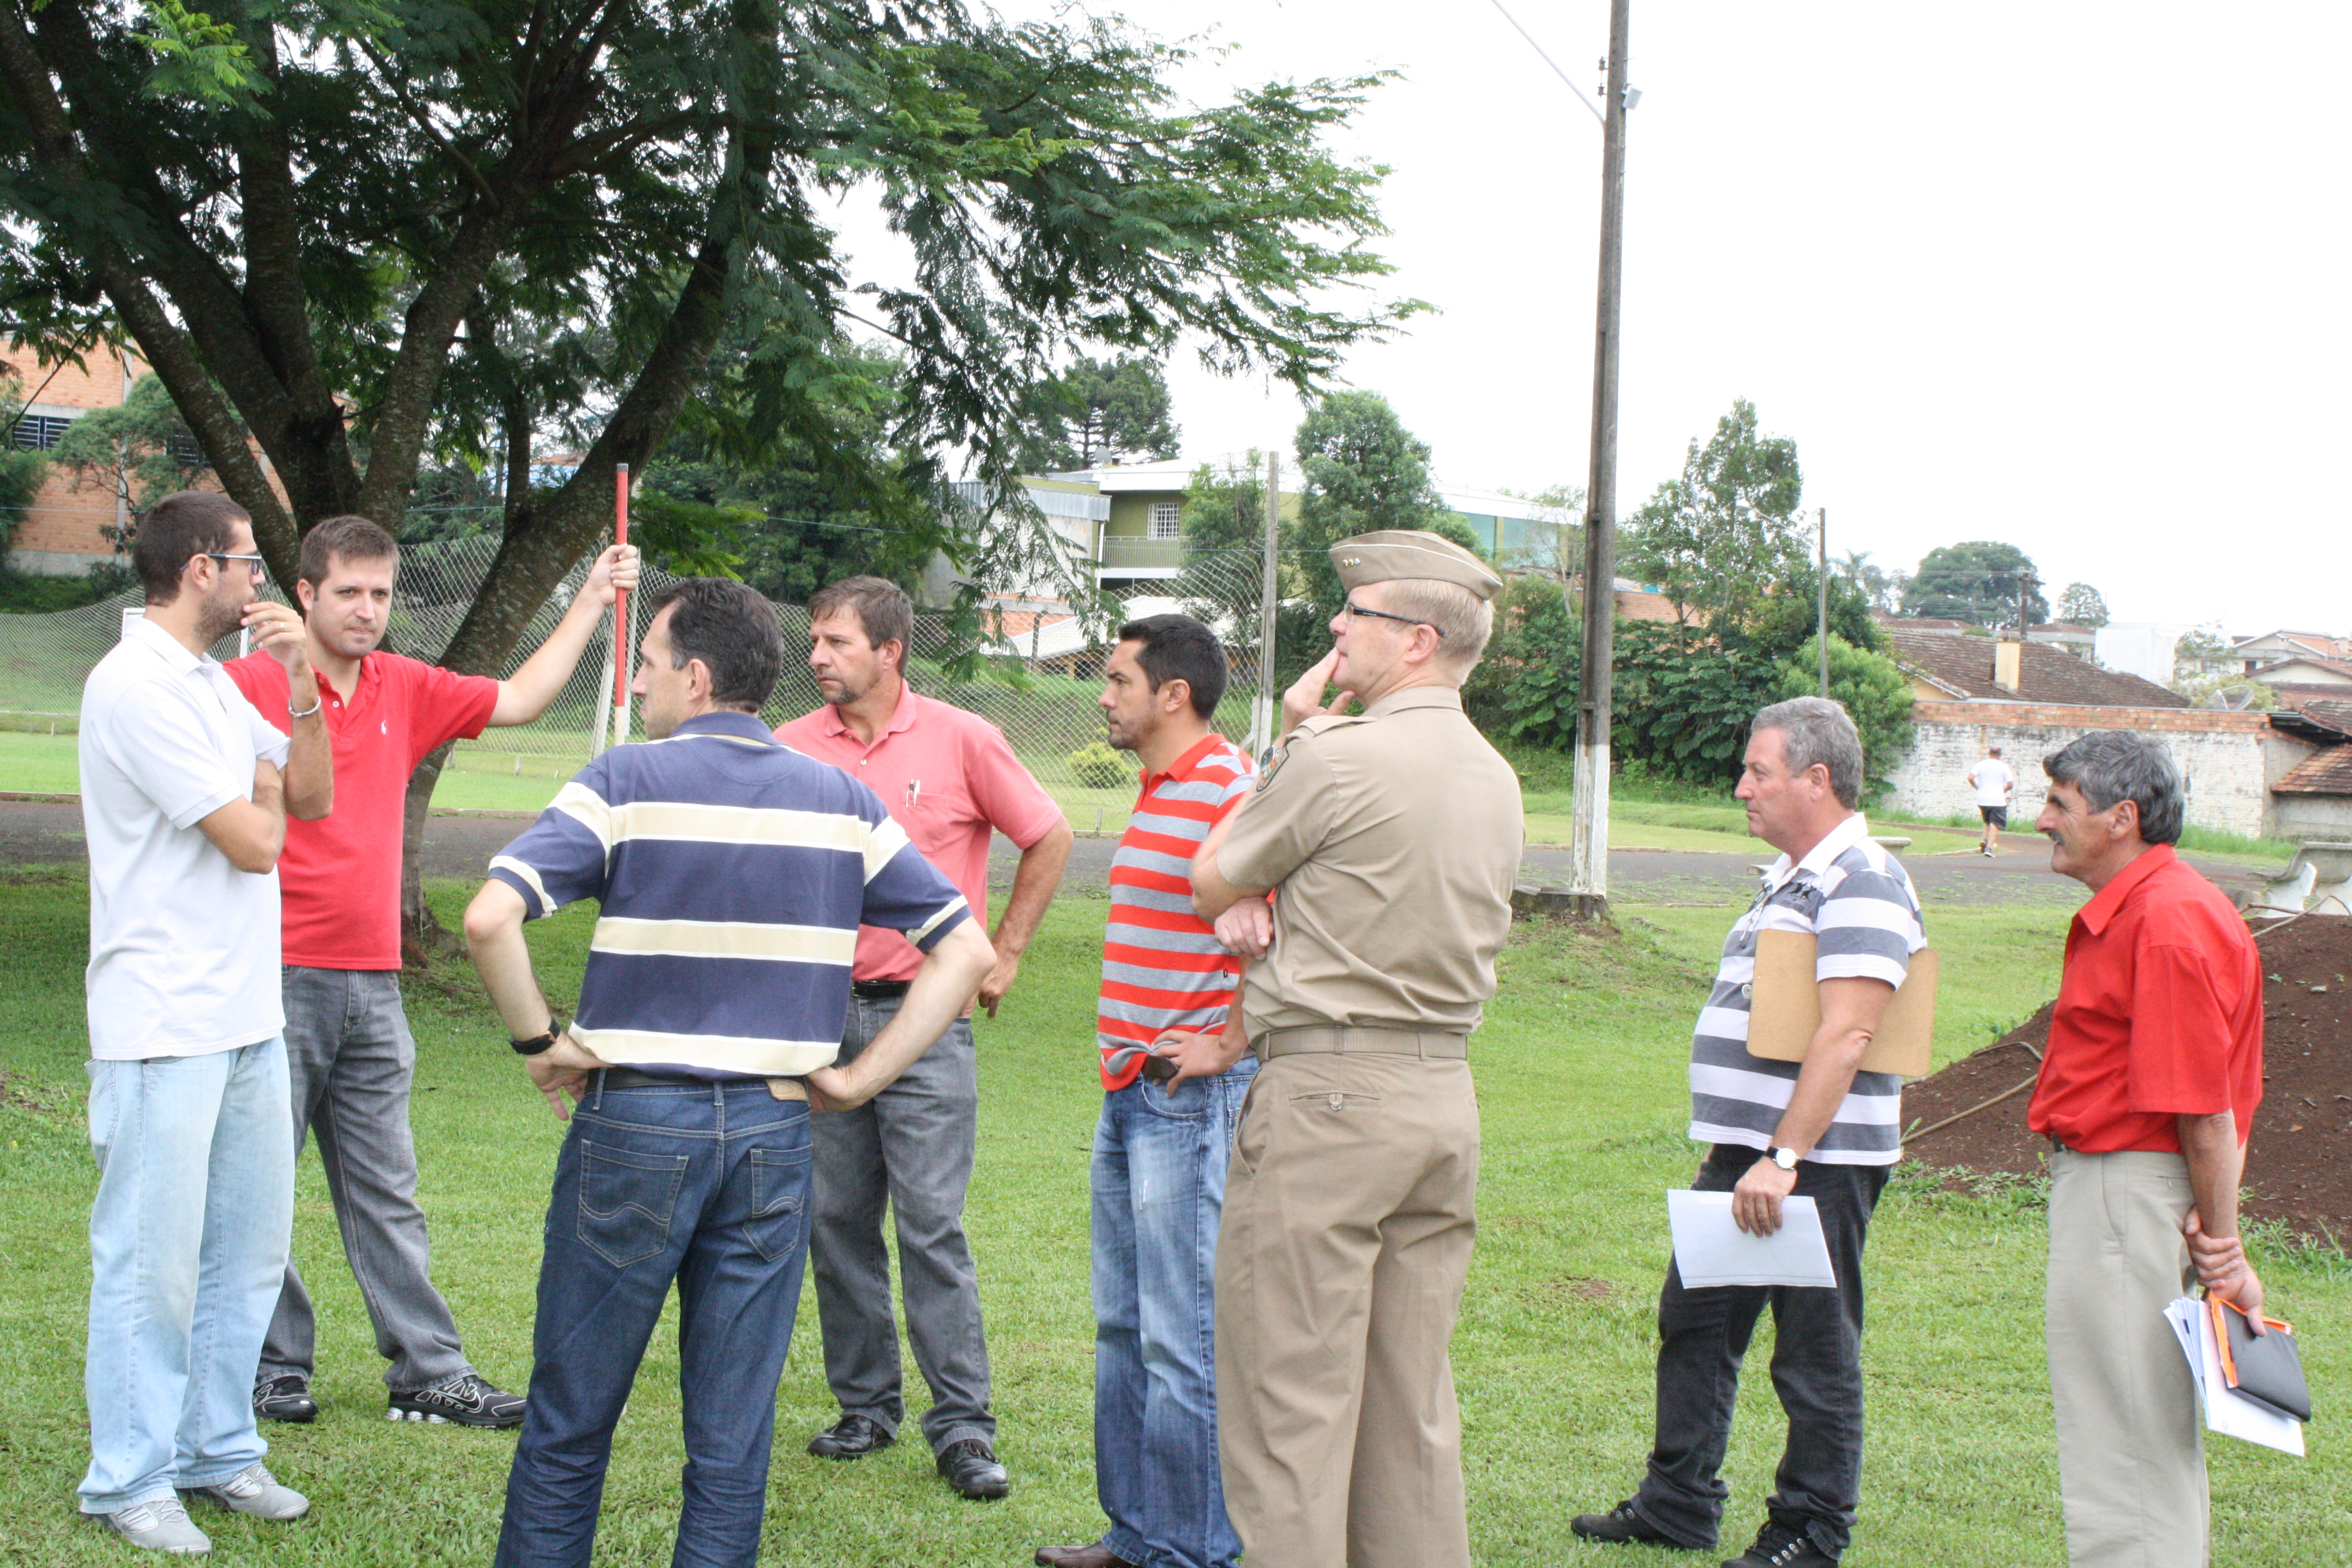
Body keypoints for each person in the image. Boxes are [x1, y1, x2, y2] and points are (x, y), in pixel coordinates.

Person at [462, 577, 995, 1568]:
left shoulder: (624, 779)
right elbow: (965, 949)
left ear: (696, 677)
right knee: (732, 1436)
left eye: (649, 664)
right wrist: (856, 1080)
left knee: (571, 1417)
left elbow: (491, 917)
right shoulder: (842, 798)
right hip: (772, 1136)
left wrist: (541, 1045)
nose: (637, 683)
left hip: (633, 1127)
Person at [224, 515, 638, 1430]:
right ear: (304, 593)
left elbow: (522, 697)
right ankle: (269, 1365)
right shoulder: (247, 683)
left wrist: (588, 598)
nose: (367, 610)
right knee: (256, 1185)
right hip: (269, 974)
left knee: (386, 1189)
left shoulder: (404, 684)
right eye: (348, 592)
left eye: (381, 593)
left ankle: (428, 1372)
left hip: (373, 980)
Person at [1187, 530, 1521, 1568]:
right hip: (1440, 1097)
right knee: (1407, 1412)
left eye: (1357, 612)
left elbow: (1212, 877)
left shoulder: (1335, 756)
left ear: (1417, 640)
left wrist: (1291, 744)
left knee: (1289, 1406)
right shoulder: (1496, 775)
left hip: (1329, 1098)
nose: (1336, 625)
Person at [1576, 697, 1923, 1568]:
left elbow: (1849, 1033)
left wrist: (1783, 1155)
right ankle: (1678, 1503)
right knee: (1697, 1321)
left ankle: (1811, 1529)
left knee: (1813, 1349)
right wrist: (1738, 1144)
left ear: (1816, 779)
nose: (1741, 788)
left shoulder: (1862, 879)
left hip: (1816, 1161)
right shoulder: (1792, 878)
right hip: (1755, 1155)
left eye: (1758, 771)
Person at [774, 575, 1074, 1498]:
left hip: (928, 1019)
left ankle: (965, 1428)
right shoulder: (789, 748)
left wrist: (1005, 951)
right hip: (821, 1019)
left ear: (890, 650)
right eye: (815, 640)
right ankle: (866, 1407)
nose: (818, 657)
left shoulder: (962, 738)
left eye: (837, 642)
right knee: (835, 1222)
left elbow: (1049, 835)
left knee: (931, 1225)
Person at [76, 491, 332, 1553]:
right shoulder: (134, 684)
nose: (258, 581)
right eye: (247, 563)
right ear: (198, 570)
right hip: (161, 1020)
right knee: (153, 1263)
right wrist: (263, 782)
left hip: (244, 1013)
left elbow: (307, 798)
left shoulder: (218, 684)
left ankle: (217, 1449)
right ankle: (130, 1480)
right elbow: (258, 844)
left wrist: (302, 688)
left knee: (246, 1250)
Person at [1034, 615, 1257, 1568]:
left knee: (1182, 1336)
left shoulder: (1232, 788)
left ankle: (1195, 1550)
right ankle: (1137, 1535)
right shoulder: (1161, 788)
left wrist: (1228, 1039)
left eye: (1119, 680)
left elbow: (1277, 930)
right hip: (1129, 1087)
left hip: (1188, 1100)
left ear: (1175, 694)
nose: (1103, 696)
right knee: (1124, 1329)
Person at [2028, 731, 2264, 1568]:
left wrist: (2223, 1246)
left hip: (2124, 1192)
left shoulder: (2164, 920)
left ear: (2121, 818)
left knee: (2123, 1434)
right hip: (2132, 1190)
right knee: (2141, 1426)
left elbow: (2205, 1109)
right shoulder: (2166, 906)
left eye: (2059, 803)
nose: (2042, 819)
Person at [1967, 743, 2015, 857]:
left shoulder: (1980, 764)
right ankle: (1989, 848)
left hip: (1982, 798)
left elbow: (1970, 777)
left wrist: (1976, 787)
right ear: (2000, 755)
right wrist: (2004, 790)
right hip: (1997, 799)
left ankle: (1984, 839)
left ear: (1989, 753)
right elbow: (2011, 784)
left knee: (1987, 821)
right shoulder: (2003, 767)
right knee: (1995, 823)